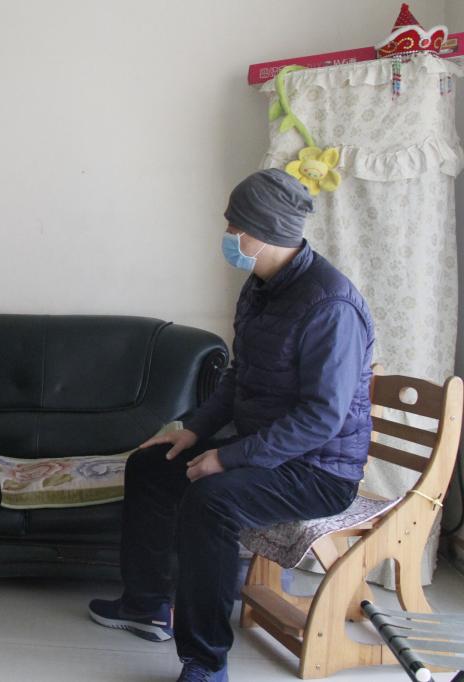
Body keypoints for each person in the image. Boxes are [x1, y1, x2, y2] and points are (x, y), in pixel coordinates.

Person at [88, 169, 374, 682]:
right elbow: (240, 375)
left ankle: (206, 661)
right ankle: (145, 605)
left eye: (234, 225)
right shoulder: (261, 287)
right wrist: (194, 431)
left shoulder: (330, 304)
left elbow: (322, 418)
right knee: (152, 464)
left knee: (212, 500)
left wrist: (227, 457)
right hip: (268, 450)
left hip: (319, 471)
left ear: (263, 230)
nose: (227, 234)